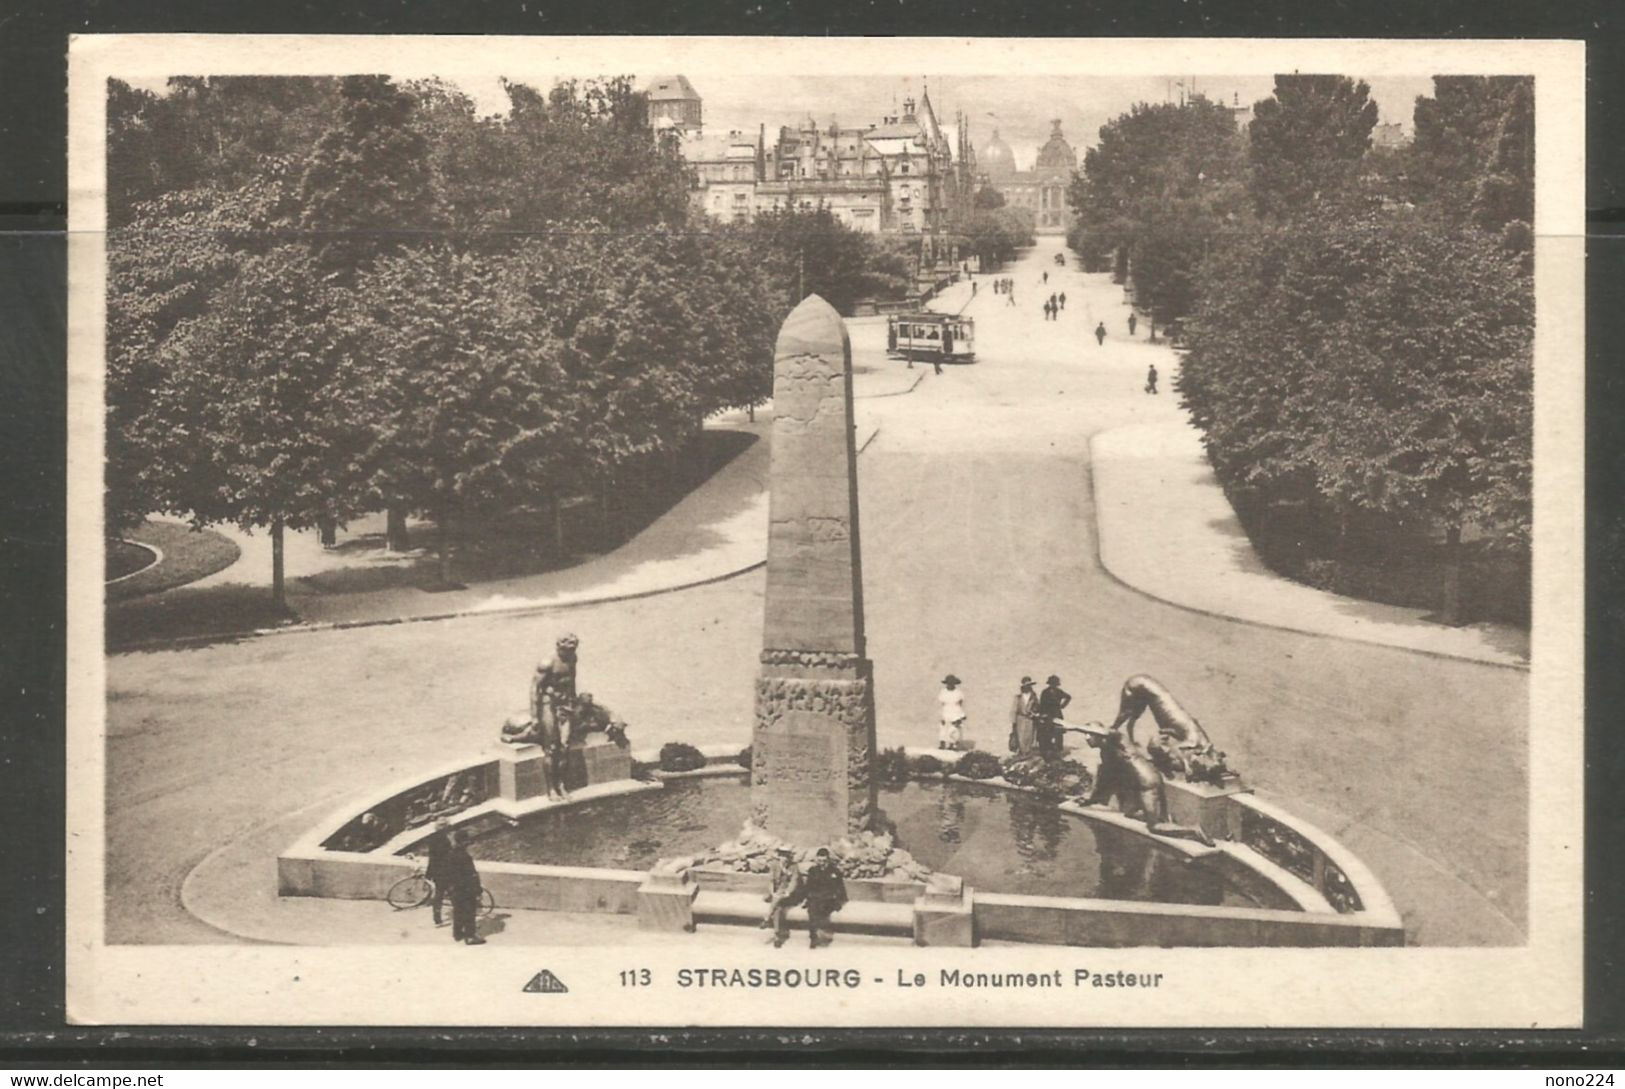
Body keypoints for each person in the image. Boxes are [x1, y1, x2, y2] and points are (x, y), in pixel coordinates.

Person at [445, 829, 486, 945]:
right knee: (469, 912)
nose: (468, 843)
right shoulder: (465, 857)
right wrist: (477, 889)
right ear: (463, 842)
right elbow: (471, 875)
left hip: (455, 889)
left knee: (458, 911)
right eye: (467, 841)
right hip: (466, 889)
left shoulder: (450, 854)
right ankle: (470, 936)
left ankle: (457, 933)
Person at [760, 845, 805, 948]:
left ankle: (767, 919)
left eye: (786, 856)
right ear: (779, 856)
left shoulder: (794, 867)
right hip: (776, 893)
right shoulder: (774, 865)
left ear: (789, 857)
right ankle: (777, 936)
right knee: (778, 908)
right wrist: (772, 892)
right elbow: (771, 880)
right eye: (782, 855)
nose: (784, 858)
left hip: (789, 895)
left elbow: (794, 882)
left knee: (778, 900)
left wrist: (788, 892)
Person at [802, 847, 848, 948]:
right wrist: (807, 898)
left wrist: (839, 901)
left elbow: (840, 887)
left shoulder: (834, 871)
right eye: (819, 860)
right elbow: (808, 886)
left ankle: (822, 937)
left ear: (828, 860)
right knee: (812, 910)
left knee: (821, 909)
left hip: (829, 898)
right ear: (816, 859)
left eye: (824, 860)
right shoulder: (813, 870)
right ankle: (813, 937)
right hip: (816, 897)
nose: (821, 863)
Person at [423, 818, 453, 927]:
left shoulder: (432, 838)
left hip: (436, 871)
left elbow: (432, 857)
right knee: (451, 892)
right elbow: (447, 856)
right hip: (445, 870)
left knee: (439, 894)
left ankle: (437, 918)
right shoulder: (445, 839)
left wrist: (429, 872)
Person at [1037, 675, 1072, 758]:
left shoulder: (1059, 692)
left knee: (1058, 733)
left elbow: (1068, 697)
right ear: (1049, 684)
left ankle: (1058, 750)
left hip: (1057, 714)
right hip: (1048, 715)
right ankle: (1048, 751)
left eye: (1055, 684)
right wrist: (1042, 714)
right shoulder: (1045, 692)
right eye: (1052, 684)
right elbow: (1042, 704)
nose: (1053, 685)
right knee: (1047, 732)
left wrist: (1063, 705)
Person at [1010, 676, 1039, 756]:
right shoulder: (1018, 697)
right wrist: (1013, 721)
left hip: (1030, 718)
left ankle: (1028, 752)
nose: (1028, 687)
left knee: (1029, 736)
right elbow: (1014, 710)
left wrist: (1035, 714)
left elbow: (1037, 707)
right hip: (1020, 718)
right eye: (1027, 685)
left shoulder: (1033, 697)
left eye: (1029, 685)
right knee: (1021, 736)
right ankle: (1022, 752)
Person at [937, 674, 967, 750]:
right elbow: (942, 703)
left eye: (952, 683)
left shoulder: (958, 693)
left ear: (954, 684)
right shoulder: (943, 692)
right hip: (946, 711)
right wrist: (942, 716)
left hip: (955, 711)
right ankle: (942, 744)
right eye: (948, 683)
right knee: (943, 728)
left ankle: (953, 745)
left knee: (954, 728)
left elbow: (960, 704)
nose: (950, 685)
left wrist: (961, 715)